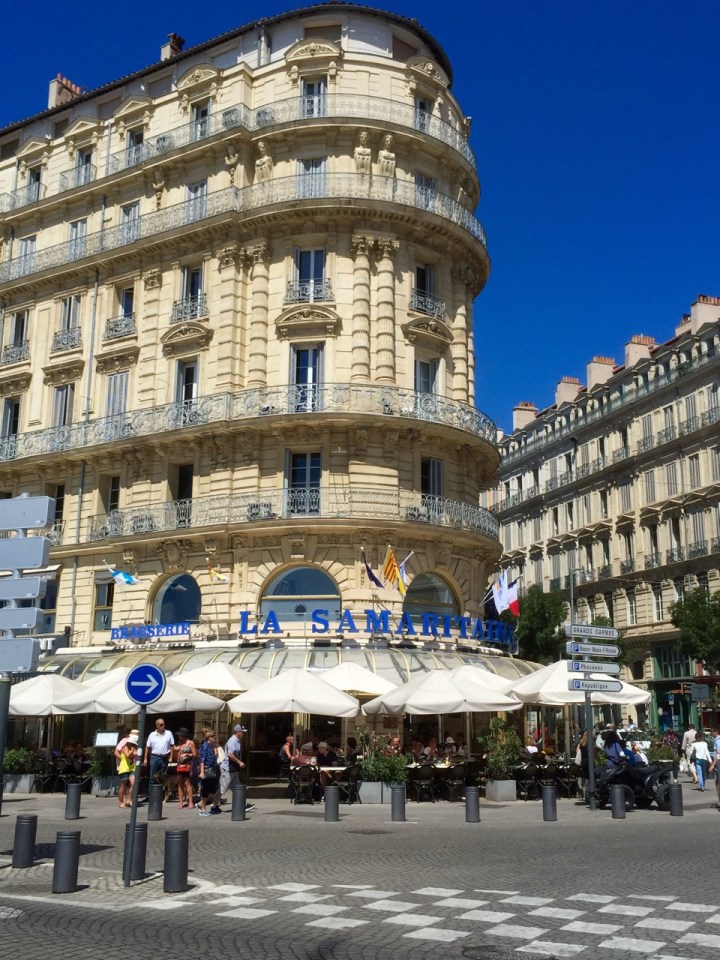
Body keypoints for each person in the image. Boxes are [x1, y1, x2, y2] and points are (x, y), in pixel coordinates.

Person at [211, 724, 255, 814]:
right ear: (238, 732)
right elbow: (230, 754)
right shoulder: (233, 741)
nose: (244, 734)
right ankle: (214, 807)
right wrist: (239, 762)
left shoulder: (237, 741)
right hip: (227, 769)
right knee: (222, 789)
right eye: (242, 732)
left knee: (237, 787)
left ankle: (242, 805)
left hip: (233, 769)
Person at [173, 728, 196, 810]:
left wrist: (187, 754)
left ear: (184, 735)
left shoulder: (190, 743)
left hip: (187, 765)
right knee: (180, 783)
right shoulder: (180, 743)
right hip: (180, 765)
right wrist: (175, 751)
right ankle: (180, 802)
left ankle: (190, 802)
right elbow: (176, 757)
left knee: (187, 783)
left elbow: (194, 754)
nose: (179, 736)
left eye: (180, 735)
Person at [117, 734, 138, 808]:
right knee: (123, 785)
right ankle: (121, 802)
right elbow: (127, 755)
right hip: (124, 768)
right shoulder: (125, 747)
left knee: (134, 783)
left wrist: (134, 751)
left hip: (132, 768)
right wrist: (132, 750)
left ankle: (129, 799)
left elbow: (137, 754)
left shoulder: (134, 748)